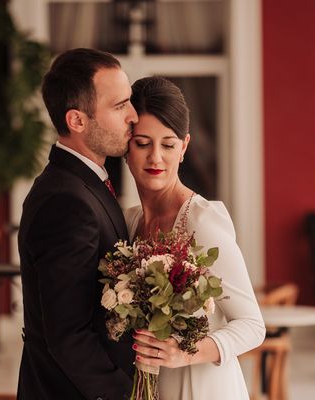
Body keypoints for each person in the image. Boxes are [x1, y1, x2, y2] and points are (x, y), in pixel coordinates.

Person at [123, 76, 266, 399]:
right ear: (126, 146)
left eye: (168, 144)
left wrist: (185, 353)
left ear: (184, 147)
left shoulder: (202, 221)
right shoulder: (129, 222)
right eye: (143, 143)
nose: (155, 158)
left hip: (203, 388)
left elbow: (253, 325)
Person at [17, 48, 138, 400]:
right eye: (119, 106)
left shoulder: (84, 184)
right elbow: (68, 334)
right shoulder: (66, 201)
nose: (133, 116)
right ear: (77, 121)